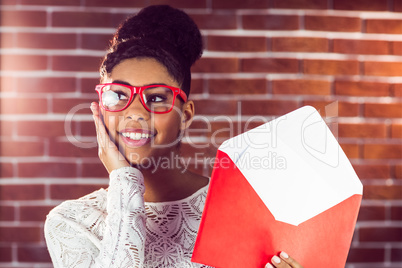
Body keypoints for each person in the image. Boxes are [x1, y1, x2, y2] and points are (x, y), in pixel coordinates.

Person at [44, 5, 303, 268]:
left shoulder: (245, 214)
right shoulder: (71, 222)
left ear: (186, 115)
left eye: (156, 98)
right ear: (100, 108)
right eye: (118, 95)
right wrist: (124, 180)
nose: (135, 112)